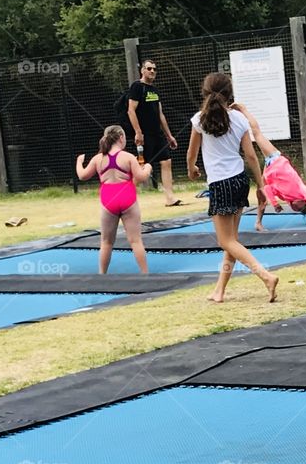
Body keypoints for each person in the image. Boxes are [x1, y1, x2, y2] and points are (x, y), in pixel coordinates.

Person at [186, 73, 279, 304]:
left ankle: (266, 276)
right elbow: (250, 155)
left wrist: (191, 169)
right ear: (230, 94)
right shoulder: (238, 118)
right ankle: (219, 291)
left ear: (205, 92)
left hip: (220, 183)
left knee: (226, 241)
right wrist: (261, 184)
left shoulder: (199, 119)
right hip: (239, 180)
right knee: (232, 240)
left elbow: (191, 153)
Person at [230, 103, 306, 231]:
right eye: (299, 208)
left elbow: (269, 189)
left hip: (270, 171)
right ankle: (243, 109)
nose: (295, 208)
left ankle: (258, 222)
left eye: (297, 210)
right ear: (303, 202)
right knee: (257, 133)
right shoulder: (301, 191)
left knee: (262, 193)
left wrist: (275, 204)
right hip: (276, 159)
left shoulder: (285, 197)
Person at [75, 126, 152, 274]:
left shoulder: (98, 159)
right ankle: (145, 273)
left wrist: (79, 162)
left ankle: (102, 274)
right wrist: (147, 167)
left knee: (106, 242)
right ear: (121, 138)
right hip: (127, 197)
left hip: (108, 199)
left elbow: (82, 176)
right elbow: (141, 178)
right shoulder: (128, 157)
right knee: (135, 240)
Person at [127, 59, 183, 207]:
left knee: (166, 162)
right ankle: (125, 197)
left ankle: (170, 198)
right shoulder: (137, 87)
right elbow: (131, 110)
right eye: (149, 68)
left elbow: (160, 114)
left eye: (154, 69)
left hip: (157, 133)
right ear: (142, 70)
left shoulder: (154, 90)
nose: (152, 71)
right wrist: (138, 132)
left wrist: (169, 135)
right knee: (141, 168)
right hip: (145, 134)